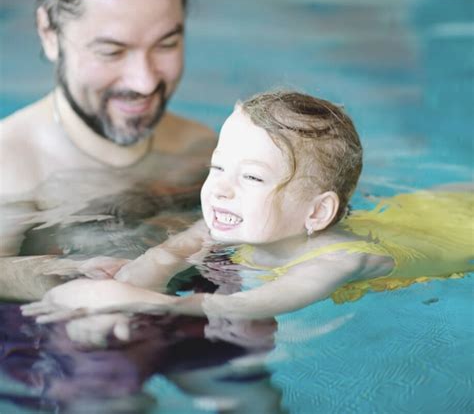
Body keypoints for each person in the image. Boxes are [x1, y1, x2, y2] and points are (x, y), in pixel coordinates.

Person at [21, 90, 474, 331]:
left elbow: (259, 303)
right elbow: (162, 258)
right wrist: (113, 293)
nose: (220, 189)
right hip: (405, 212)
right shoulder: (229, 218)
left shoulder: (340, 260)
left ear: (317, 214)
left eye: (252, 177)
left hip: (454, 232)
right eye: (217, 167)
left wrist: (139, 301)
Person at [0, 0, 216, 298]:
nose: (144, 81)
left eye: (166, 44)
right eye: (112, 51)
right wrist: (57, 274)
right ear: (49, 34)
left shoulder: (199, 147)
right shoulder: (9, 165)